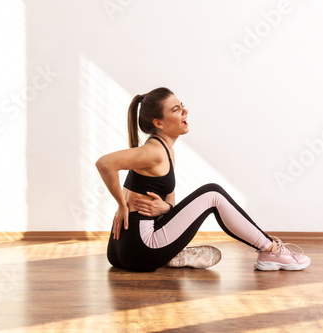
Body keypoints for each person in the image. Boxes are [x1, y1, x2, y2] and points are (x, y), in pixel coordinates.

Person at [95, 87, 311, 272]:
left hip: (119, 251)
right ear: (158, 123)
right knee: (213, 193)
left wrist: (166, 209)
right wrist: (121, 205)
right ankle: (271, 250)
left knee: (208, 195)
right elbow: (105, 163)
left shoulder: (165, 151)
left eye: (182, 105)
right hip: (142, 249)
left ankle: (173, 255)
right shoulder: (155, 151)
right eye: (175, 109)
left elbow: (171, 203)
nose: (185, 111)